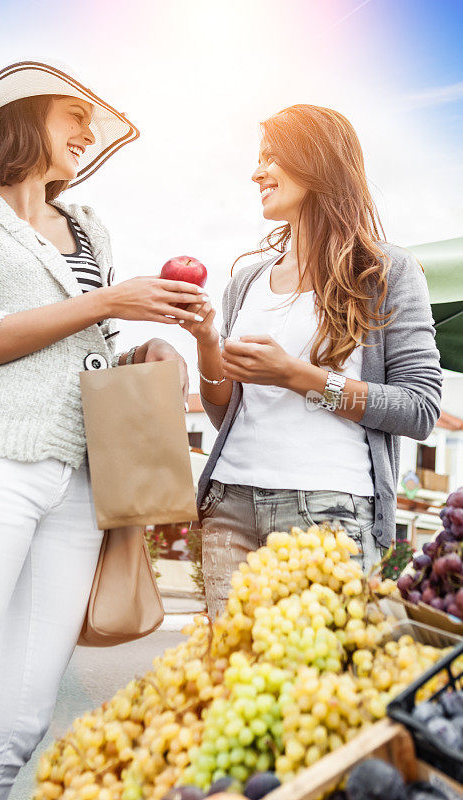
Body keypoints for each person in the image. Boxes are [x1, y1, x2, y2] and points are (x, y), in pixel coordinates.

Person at [0, 59, 207, 800]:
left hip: (84, 484)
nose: (89, 133)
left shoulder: (88, 228)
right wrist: (106, 302)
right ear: (23, 118)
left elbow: (83, 349)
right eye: (74, 116)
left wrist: (146, 351)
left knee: (21, 721)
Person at [181, 104, 443, 618]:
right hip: (230, 503)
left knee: (309, 681)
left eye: (273, 157)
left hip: (329, 509)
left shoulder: (386, 273)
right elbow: (224, 413)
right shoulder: (246, 282)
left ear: (317, 163)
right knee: (230, 682)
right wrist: (208, 342)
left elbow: (420, 408)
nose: (257, 172)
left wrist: (296, 376)